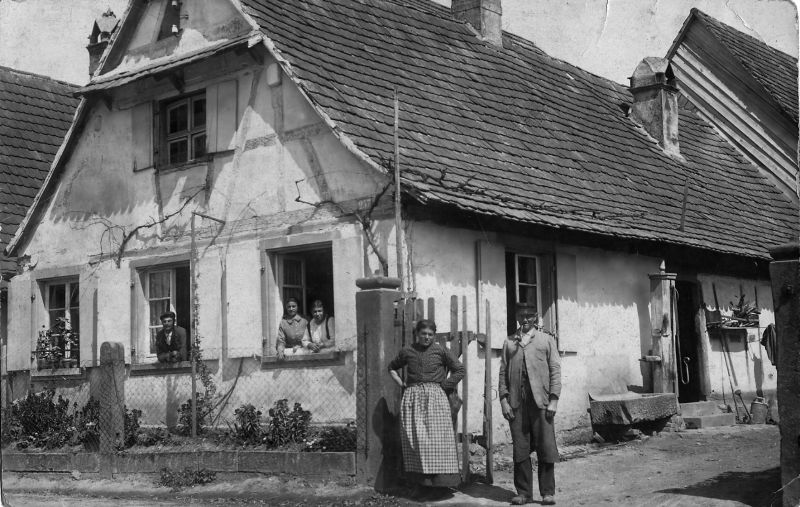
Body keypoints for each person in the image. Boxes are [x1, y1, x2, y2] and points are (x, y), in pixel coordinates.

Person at [388, 319, 465, 499]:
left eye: (430, 335)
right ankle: (421, 485)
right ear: (417, 334)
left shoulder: (440, 350)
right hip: (413, 400)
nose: (427, 338)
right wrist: (403, 384)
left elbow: (459, 369)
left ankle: (439, 486)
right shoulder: (407, 351)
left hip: (435, 399)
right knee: (416, 441)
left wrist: (444, 386)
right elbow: (391, 368)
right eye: (424, 334)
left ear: (434, 336)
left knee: (436, 441)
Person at [499, 304, 561, 505]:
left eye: (529, 316)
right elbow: (502, 373)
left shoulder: (546, 340)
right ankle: (523, 493)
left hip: (541, 402)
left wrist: (553, 400)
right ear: (516, 317)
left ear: (536, 317)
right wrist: (503, 401)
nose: (525, 319)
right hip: (517, 403)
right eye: (521, 315)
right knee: (521, 448)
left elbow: (555, 370)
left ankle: (547, 493)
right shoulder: (509, 342)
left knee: (546, 446)